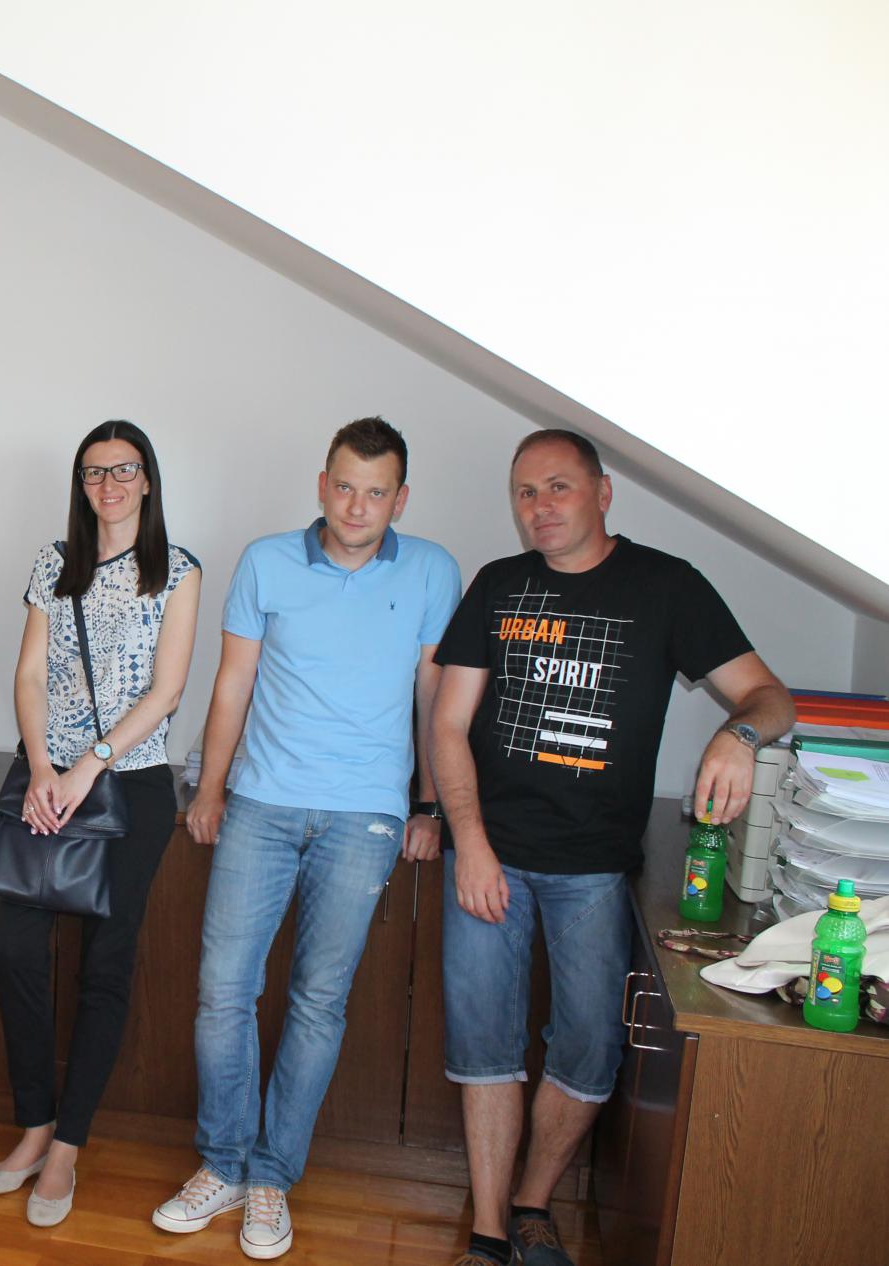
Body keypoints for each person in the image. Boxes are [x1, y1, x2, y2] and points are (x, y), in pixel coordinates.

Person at [431, 429, 794, 1266]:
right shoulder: (498, 585)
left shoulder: (666, 586)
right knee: (483, 1046)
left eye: (558, 486)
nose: (539, 507)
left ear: (602, 492)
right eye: (525, 491)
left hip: (594, 868)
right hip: (487, 852)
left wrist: (738, 735)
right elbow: (448, 725)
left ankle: (533, 1205)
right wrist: (470, 843)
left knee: (590, 1047)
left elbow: (771, 697)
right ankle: (490, 1232)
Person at [153, 417, 461, 1259]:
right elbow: (233, 683)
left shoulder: (432, 570)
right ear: (322, 485)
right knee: (224, 993)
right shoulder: (266, 561)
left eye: (376, 492)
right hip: (261, 804)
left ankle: (271, 1178)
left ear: (400, 499)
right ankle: (223, 1163)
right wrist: (210, 789)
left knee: (319, 1002)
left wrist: (429, 807)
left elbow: (434, 698)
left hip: (366, 817)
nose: (357, 506)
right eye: (344, 486)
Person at [0, 420, 202, 1227]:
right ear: (81, 484)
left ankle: (68, 1146)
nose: (108, 485)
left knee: (106, 965)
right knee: (16, 952)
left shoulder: (177, 570)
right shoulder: (54, 563)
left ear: (148, 479)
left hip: (130, 788)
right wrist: (43, 766)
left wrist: (90, 765)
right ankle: (34, 1127)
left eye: (123, 470)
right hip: (45, 779)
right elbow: (29, 674)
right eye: (94, 472)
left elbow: (167, 691)